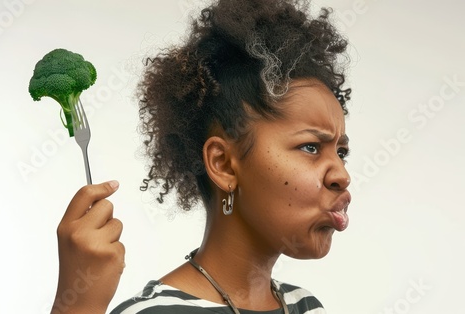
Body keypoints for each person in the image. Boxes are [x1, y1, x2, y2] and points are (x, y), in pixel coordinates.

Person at [52, 0, 353, 313]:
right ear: (222, 164)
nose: (342, 175)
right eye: (311, 147)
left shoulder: (305, 306)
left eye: (342, 151)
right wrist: (77, 303)